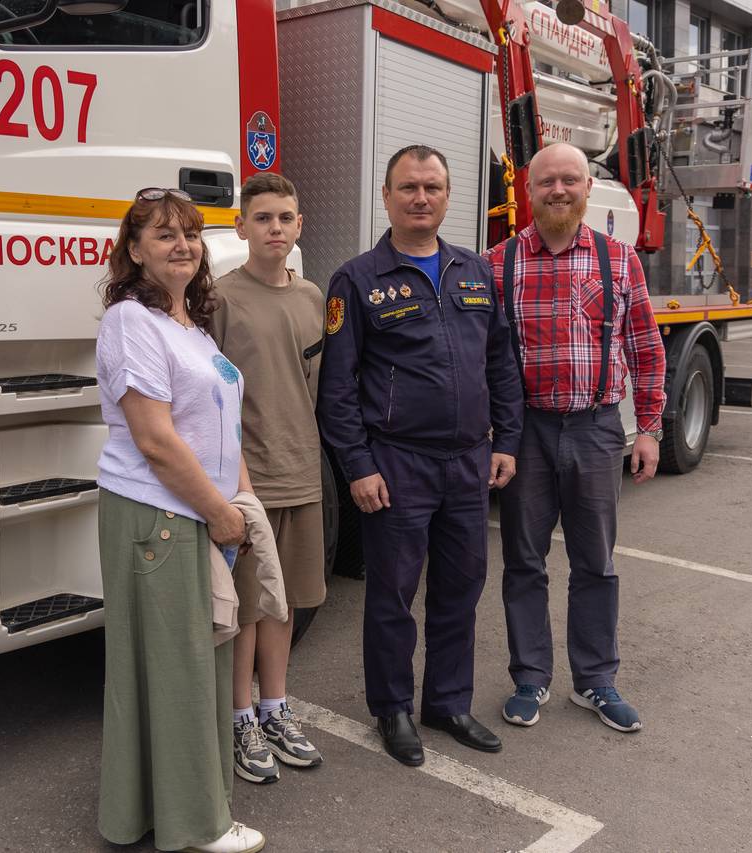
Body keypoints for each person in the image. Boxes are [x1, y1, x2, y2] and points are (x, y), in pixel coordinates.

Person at [317, 145, 525, 767]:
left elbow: (501, 365)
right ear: (387, 196)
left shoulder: (474, 273)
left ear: (447, 195)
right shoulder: (357, 280)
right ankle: (393, 710)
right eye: (408, 187)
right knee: (392, 595)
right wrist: (358, 465)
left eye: (432, 187)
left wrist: (507, 441)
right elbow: (337, 390)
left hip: (467, 462)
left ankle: (448, 702)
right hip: (397, 464)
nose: (421, 198)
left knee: (462, 588)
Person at [95, 188, 265, 853]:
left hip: (194, 511)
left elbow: (218, 429)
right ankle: (199, 824)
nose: (182, 245)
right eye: (163, 234)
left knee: (177, 667)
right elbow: (156, 440)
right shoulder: (131, 322)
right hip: (159, 513)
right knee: (181, 670)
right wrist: (222, 513)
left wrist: (240, 506)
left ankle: (147, 810)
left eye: (190, 233)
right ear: (133, 251)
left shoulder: (187, 326)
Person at [487, 142, 666, 734]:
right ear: (526, 191)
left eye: (570, 180)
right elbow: (482, 357)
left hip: (594, 429)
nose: (558, 191)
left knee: (596, 562)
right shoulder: (498, 263)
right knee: (524, 562)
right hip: (527, 431)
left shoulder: (620, 260)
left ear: (588, 189)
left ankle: (595, 681)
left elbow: (645, 348)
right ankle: (530, 678)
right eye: (546, 183)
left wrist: (647, 429)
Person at [212, 173, 326, 785]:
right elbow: (211, 400)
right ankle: (238, 718)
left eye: (285, 218)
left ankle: (275, 706)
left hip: (302, 472)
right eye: (263, 218)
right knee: (247, 610)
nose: (274, 229)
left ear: (299, 226)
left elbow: (310, 387)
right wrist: (238, 480)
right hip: (248, 482)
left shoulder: (311, 297)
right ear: (241, 226)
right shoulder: (221, 299)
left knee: (284, 606)